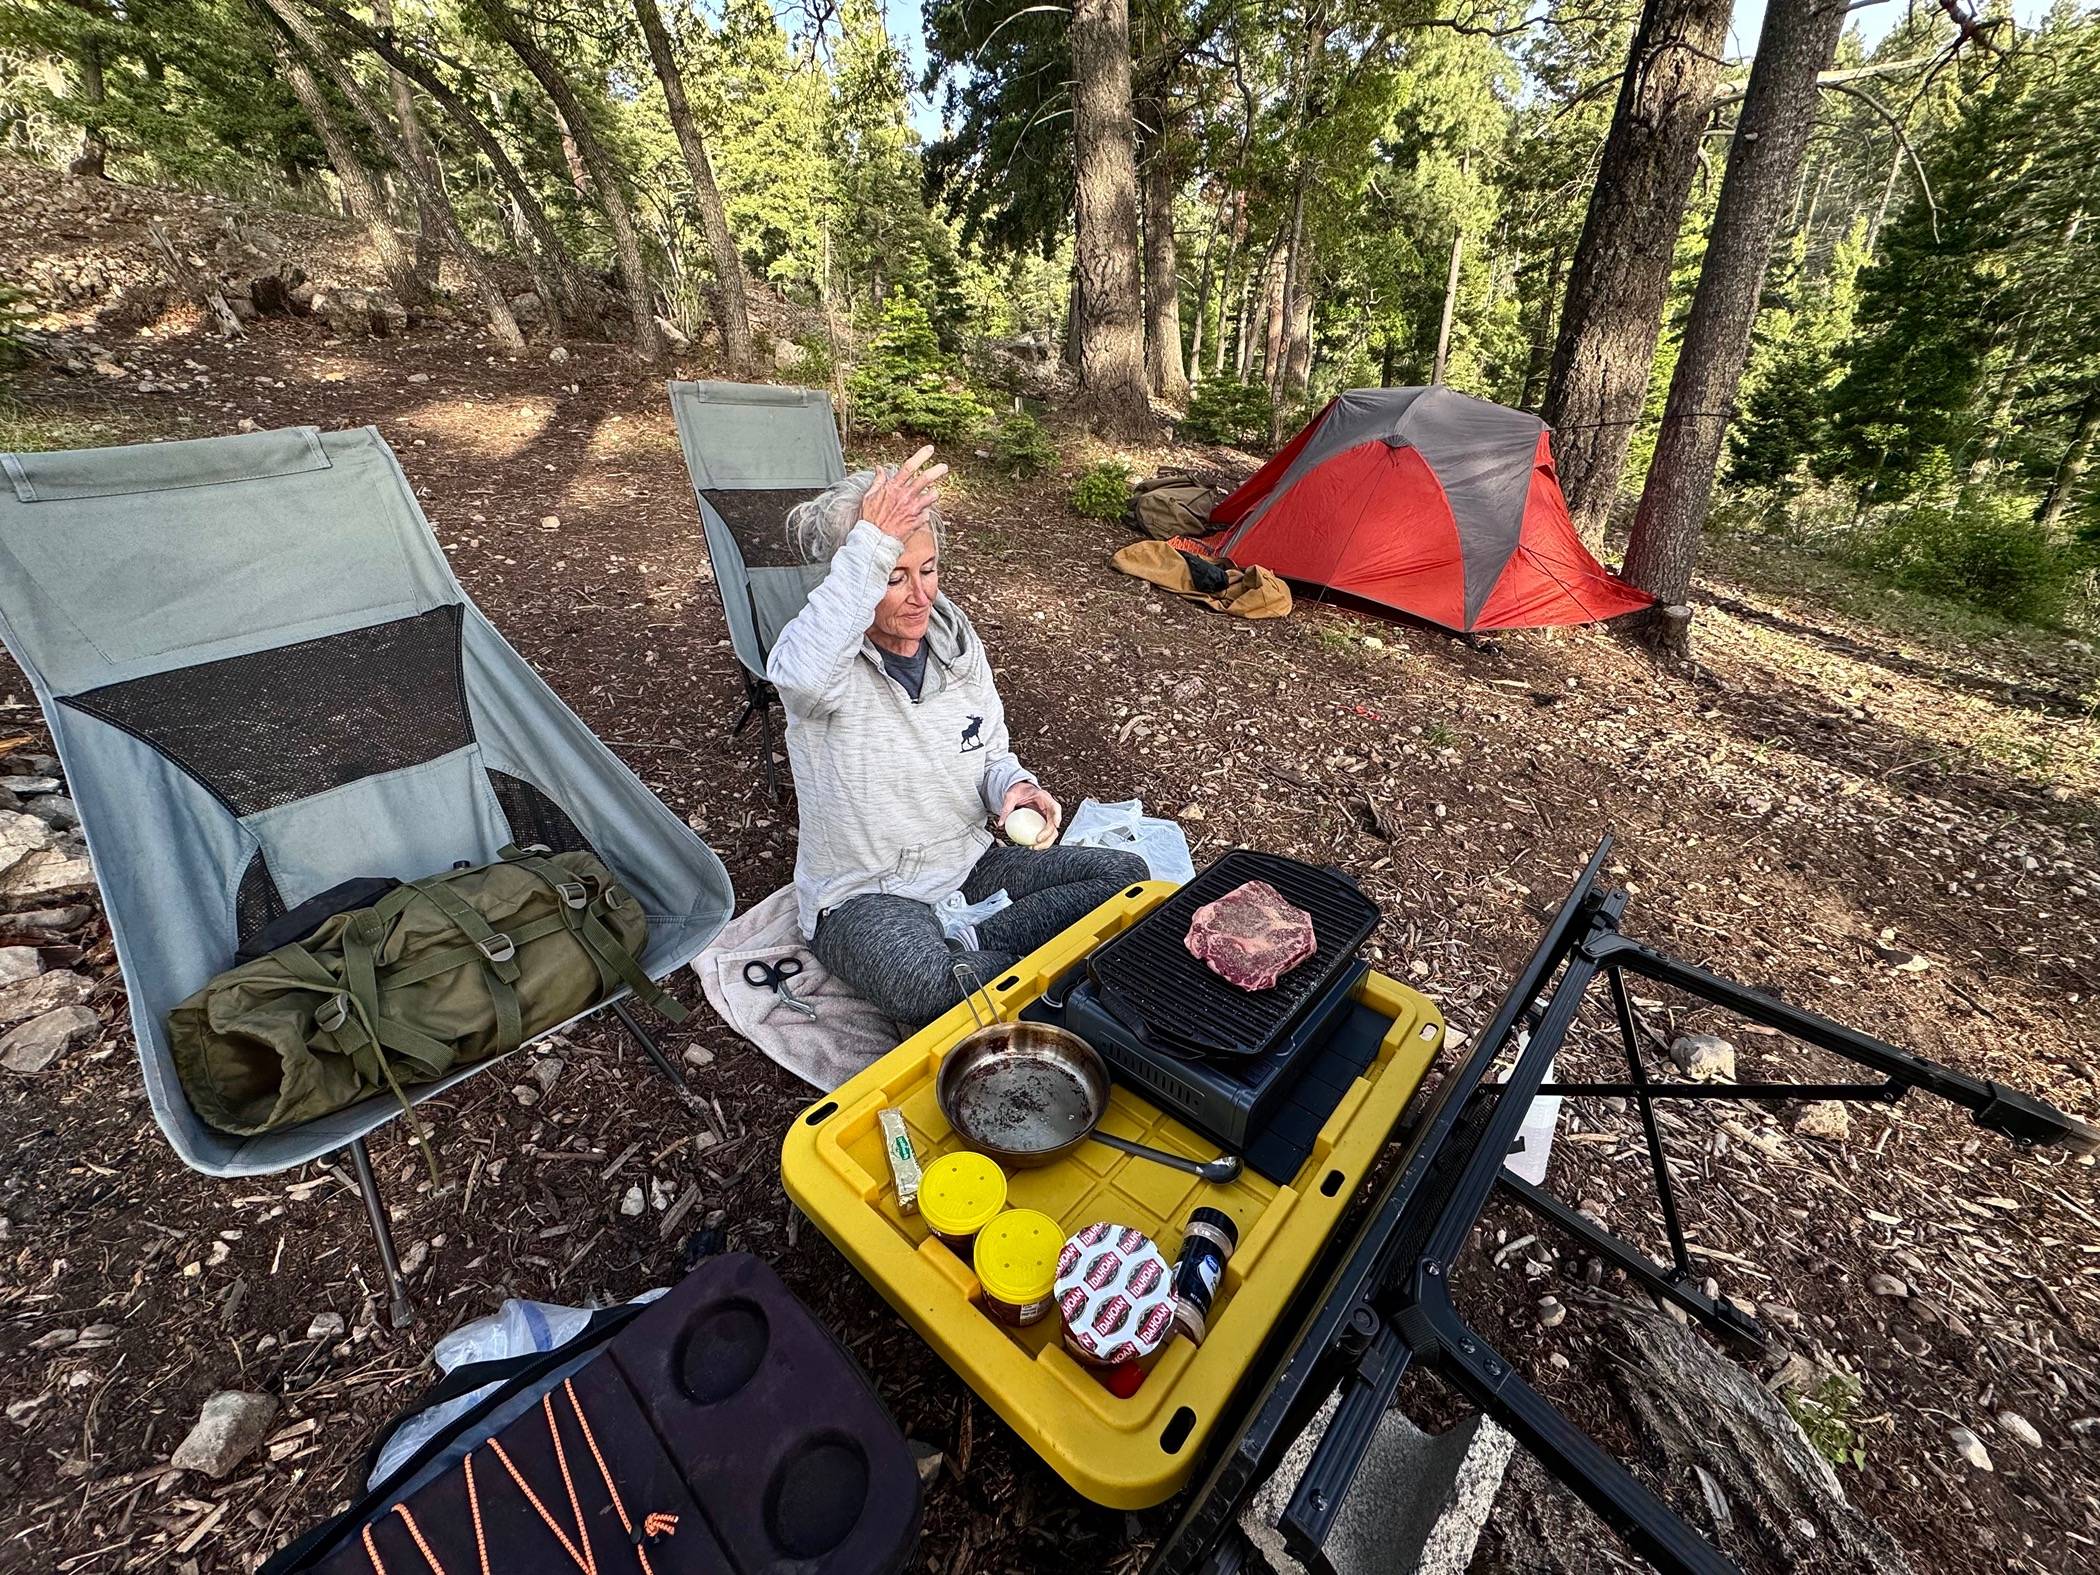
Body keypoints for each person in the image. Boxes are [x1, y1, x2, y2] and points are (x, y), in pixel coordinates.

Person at [766, 445, 1148, 1027]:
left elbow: (989, 748)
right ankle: (994, 962)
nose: (921, 596)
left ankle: (972, 943)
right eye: (893, 577)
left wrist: (1013, 787)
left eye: (928, 569)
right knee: (930, 988)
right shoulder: (819, 669)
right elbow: (798, 674)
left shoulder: (955, 648)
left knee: (1126, 881)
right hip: (868, 894)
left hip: (970, 866)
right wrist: (870, 540)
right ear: (852, 582)